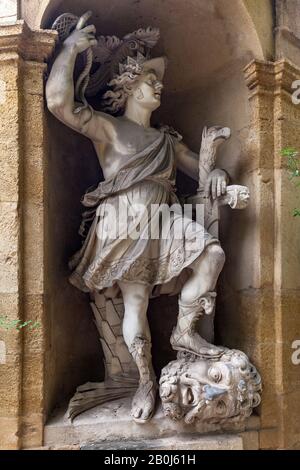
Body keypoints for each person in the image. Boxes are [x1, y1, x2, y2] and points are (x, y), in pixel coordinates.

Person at [46, 24, 228, 424]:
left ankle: (184, 331)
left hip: (165, 218)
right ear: (129, 86)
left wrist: (217, 176)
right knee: (136, 302)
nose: (158, 87)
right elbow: (59, 103)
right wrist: (70, 50)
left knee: (212, 255)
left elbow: (200, 168)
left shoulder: (166, 139)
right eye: (150, 80)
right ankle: (145, 380)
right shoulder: (109, 128)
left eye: (158, 82)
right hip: (124, 222)